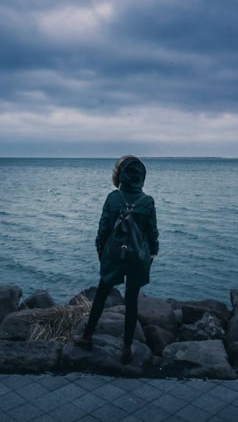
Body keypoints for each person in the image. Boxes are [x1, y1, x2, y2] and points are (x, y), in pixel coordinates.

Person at [75, 155, 159, 364]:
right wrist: (152, 253)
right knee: (131, 301)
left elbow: (103, 229)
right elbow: (152, 233)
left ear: (120, 174)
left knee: (102, 293)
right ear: (142, 176)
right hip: (138, 257)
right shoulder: (147, 202)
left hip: (114, 254)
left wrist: (100, 250)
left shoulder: (113, 199)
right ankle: (127, 348)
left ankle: (87, 337)